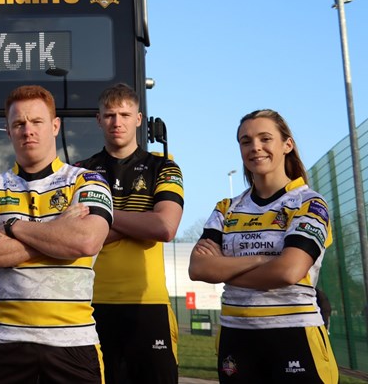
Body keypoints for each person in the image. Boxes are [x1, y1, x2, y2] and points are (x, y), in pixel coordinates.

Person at [0, 85, 113, 384]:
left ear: (55, 126)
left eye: (37, 122)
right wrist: (58, 235)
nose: (27, 130)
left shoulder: (88, 180)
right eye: (18, 123)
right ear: (8, 130)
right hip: (7, 343)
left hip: (74, 343)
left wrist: (13, 227)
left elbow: (86, 241)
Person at [189, 109, 338, 383]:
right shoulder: (227, 208)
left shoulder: (310, 203)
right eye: (246, 141)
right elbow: (198, 268)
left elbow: (288, 272)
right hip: (235, 337)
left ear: (287, 145)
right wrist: (261, 260)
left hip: (294, 336)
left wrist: (224, 270)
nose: (255, 147)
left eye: (265, 138)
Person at [75, 83, 183, 383]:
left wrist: (103, 219)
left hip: (147, 305)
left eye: (125, 114)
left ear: (138, 119)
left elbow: (164, 227)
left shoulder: (164, 167)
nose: (117, 122)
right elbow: (77, 237)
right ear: (99, 120)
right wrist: (140, 222)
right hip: (89, 304)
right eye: (109, 115)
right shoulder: (80, 172)